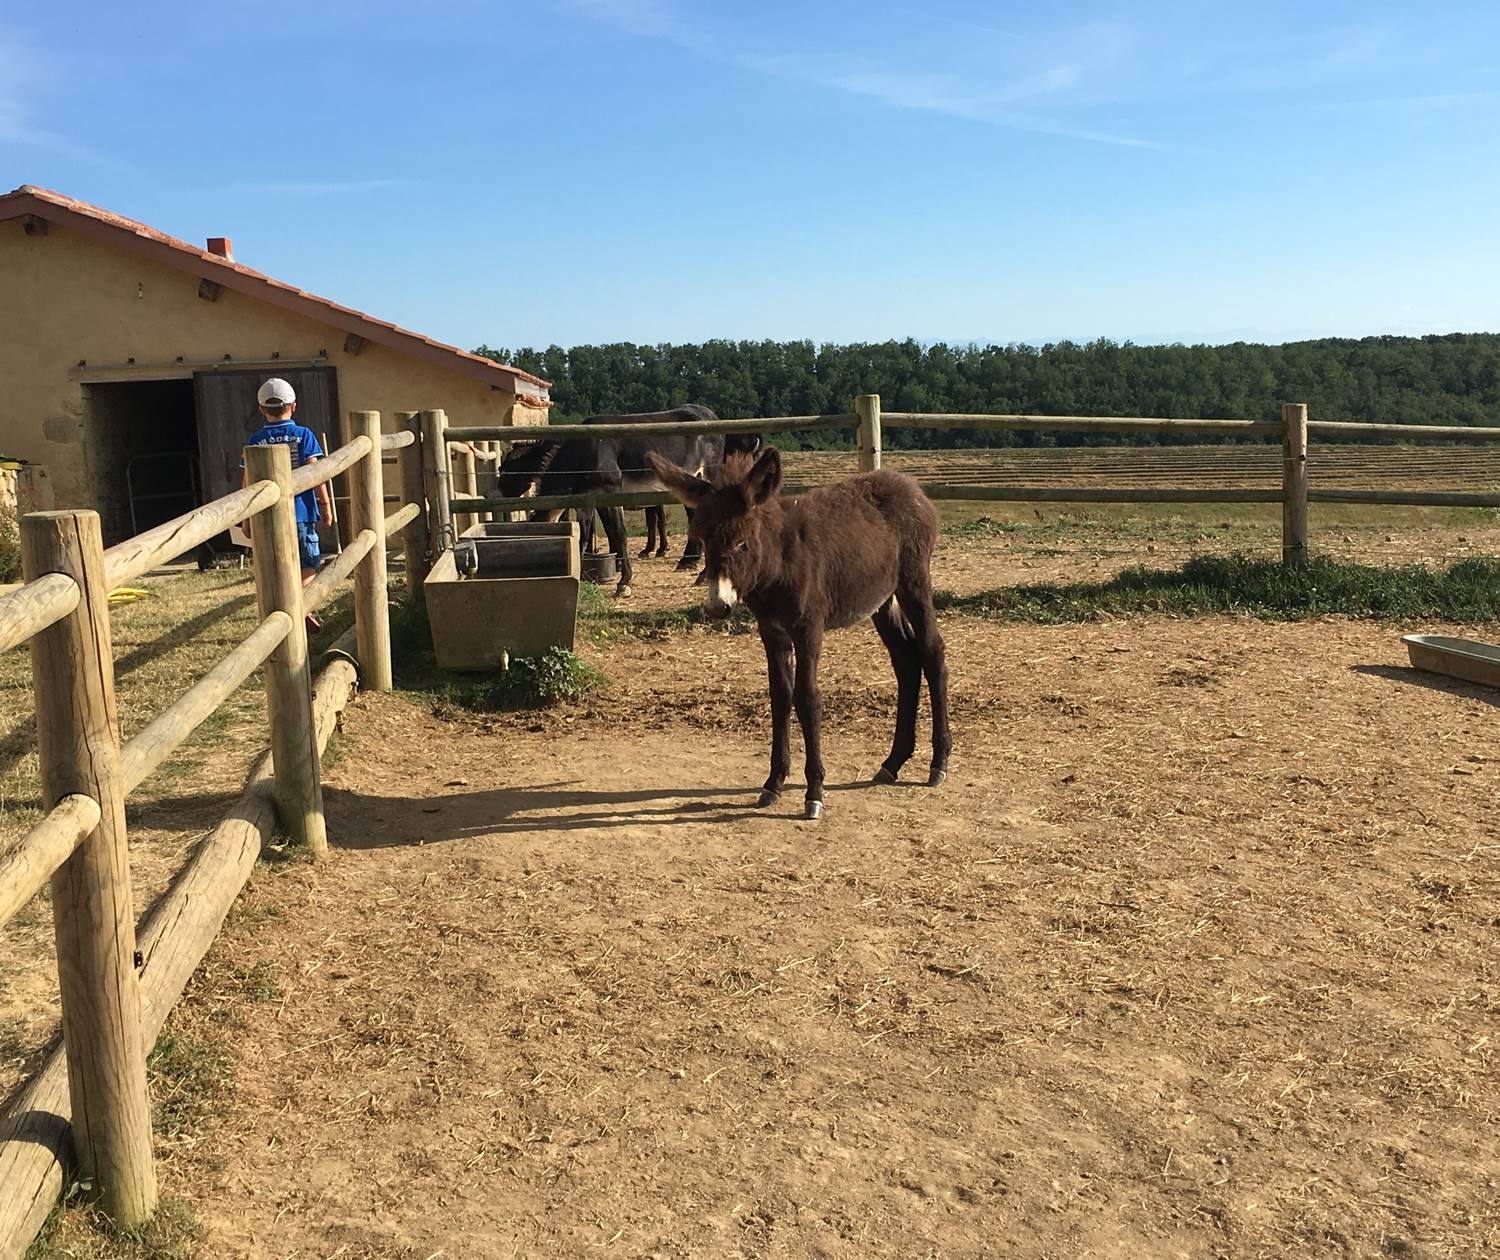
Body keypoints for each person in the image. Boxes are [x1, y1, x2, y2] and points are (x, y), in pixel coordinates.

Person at [240, 378, 333, 633]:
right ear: (294, 406)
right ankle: (301, 605)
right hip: (301, 513)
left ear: (261, 409)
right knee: (308, 563)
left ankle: (283, 612)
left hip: (265, 516)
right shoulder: (303, 435)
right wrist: (325, 505)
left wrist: (246, 519)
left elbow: (247, 480)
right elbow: (315, 472)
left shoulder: (255, 440)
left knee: (275, 564)